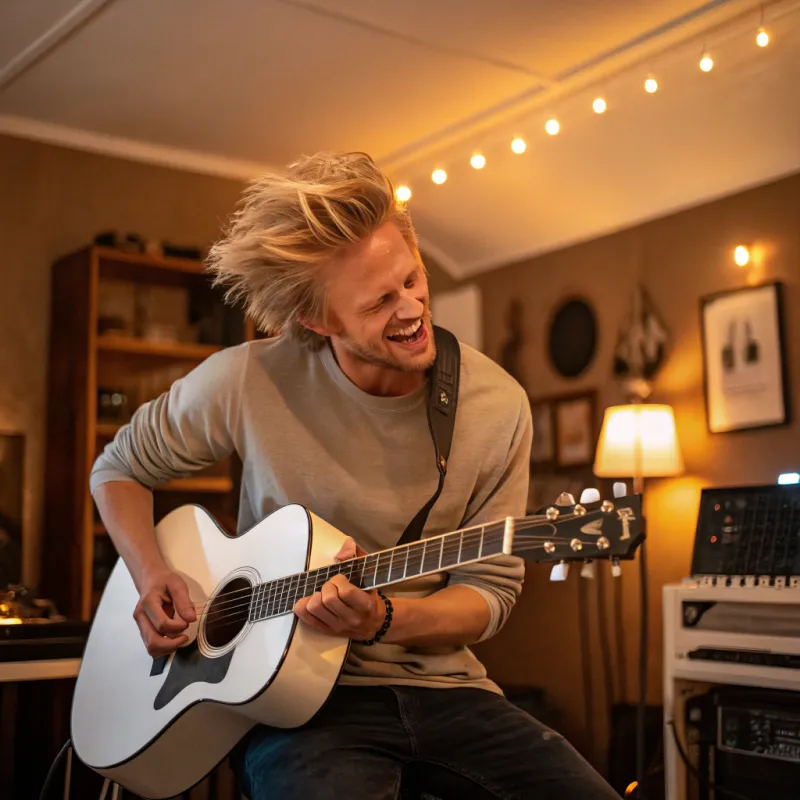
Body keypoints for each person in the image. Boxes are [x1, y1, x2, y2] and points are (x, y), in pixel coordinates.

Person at [90, 152, 617, 799]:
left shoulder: (496, 404)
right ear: (318, 321)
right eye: (379, 302)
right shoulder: (247, 380)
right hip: (295, 706)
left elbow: (490, 595)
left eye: (412, 279)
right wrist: (152, 574)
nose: (412, 309)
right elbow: (118, 468)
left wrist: (381, 618)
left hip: (448, 692)